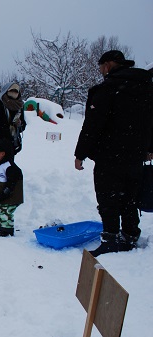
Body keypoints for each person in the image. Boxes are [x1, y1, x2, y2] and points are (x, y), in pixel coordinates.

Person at [74, 50, 153, 256]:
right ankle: (130, 235)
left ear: (108, 65)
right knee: (130, 196)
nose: (101, 71)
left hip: (110, 155)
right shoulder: (145, 87)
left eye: (101, 67)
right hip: (136, 155)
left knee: (108, 196)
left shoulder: (107, 89)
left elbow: (92, 125)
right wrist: (149, 148)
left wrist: (80, 153)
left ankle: (110, 238)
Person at [0, 138, 24, 237]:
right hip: (5, 196)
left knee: (6, 211)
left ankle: (7, 229)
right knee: (2, 210)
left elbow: (11, 183)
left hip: (11, 197)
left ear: (2, 154)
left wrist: (5, 193)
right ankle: (2, 225)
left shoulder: (10, 167)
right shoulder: (1, 165)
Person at [0, 82, 26, 153]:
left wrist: (20, 124)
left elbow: (23, 125)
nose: (14, 93)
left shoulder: (19, 106)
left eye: (16, 91)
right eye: (11, 90)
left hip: (12, 143)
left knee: (9, 164)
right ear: (6, 91)